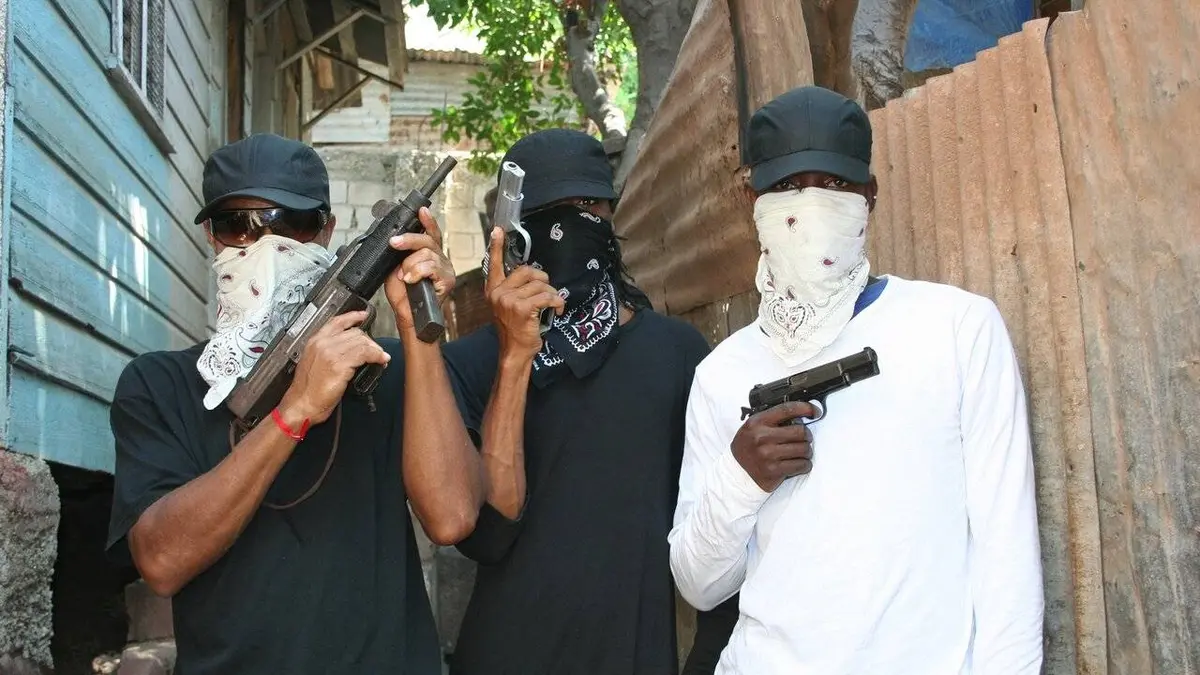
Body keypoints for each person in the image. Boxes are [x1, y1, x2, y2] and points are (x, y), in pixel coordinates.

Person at [669, 86, 1045, 674]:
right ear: (752, 201)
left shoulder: (956, 327)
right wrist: (741, 479)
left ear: (870, 196)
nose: (812, 206)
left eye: (835, 184)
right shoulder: (722, 373)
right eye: (787, 186)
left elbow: (1008, 553)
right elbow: (700, 585)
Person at [105, 134, 485, 674]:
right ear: (212, 237)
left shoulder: (388, 366)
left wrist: (416, 328)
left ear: (326, 231)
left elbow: (452, 519)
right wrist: (295, 410)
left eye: (291, 223)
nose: (264, 244)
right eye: (238, 225)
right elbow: (161, 562)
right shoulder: (159, 385)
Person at [439, 128, 712, 675]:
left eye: (588, 205)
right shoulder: (469, 364)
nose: (570, 226)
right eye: (546, 214)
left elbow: (706, 532)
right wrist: (514, 358)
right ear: (513, 236)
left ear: (611, 215)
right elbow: (486, 536)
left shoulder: (677, 353)